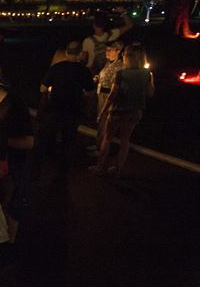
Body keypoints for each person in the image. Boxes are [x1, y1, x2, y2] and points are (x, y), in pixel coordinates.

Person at [89, 43, 155, 176]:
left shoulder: (121, 74)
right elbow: (150, 93)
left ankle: (99, 167)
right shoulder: (147, 73)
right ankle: (118, 169)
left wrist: (103, 112)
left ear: (128, 57)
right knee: (125, 140)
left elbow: (112, 95)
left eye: (125, 55)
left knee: (107, 138)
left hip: (118, 111)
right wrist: (151, 78)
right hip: (136, 112)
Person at [37, 41, 95, 181]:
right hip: (73, 110)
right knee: (68, 140)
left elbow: (42, 88)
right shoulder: (84, 71)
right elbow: (91, 92)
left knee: (50, 135)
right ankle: (64, 169)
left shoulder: (56, 68)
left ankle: (47, 165)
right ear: (80, 54)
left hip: (55, 108)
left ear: (67, 53)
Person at [0, 76, 34, 245]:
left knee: (11, 204)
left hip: (13, 165)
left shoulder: (16, 107)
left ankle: (11, 244)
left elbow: (29, 142)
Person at [86, 40, 125, 156]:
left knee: (105, 122)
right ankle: (98, 144)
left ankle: (102, 149)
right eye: (106, 50)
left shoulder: (120, 66)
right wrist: (98, 78)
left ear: (118, 51)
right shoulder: (108, 63)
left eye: (110, 50)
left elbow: (115, 85)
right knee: (100, 121)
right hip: (101, 96)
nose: (107, 52)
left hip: (108, 97)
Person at [82, 9, 133, 76]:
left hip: (92, 71)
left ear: (93, 25)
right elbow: (129, 25)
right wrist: (123, 12)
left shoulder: (87, 40)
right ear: (105, 24)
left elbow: (83, 58)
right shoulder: (112, 34)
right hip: (108, 70)